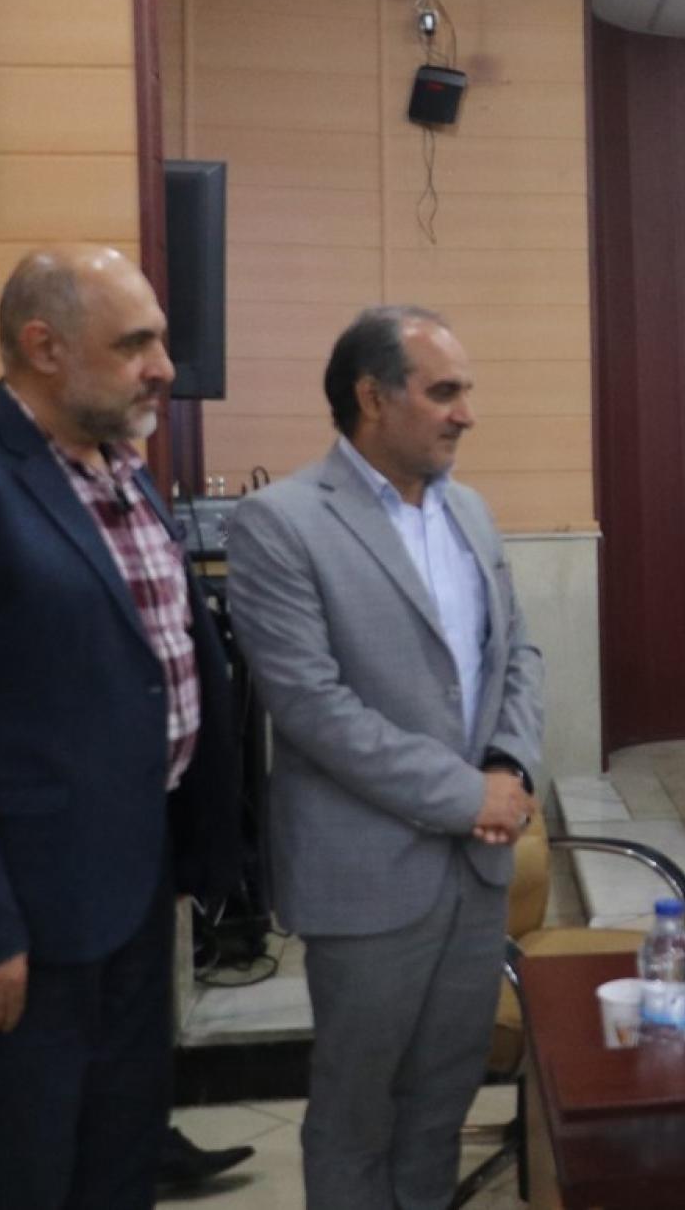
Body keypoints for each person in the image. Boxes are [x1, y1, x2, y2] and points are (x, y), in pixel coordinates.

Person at [0, 244, 241, 1209]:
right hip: (21, 919)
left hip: (133, 887)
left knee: (119, 1156)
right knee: (20, 1172)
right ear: (44, 346)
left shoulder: (123, 470)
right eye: (135, 343)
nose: (163, 366)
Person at [224, 306, 542, 1210]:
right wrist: (467, 794)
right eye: (444, 392)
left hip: (476, 869)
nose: (467, 413)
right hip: (368, 872)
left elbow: (517, 653)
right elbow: (313, 707)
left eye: (466, 391)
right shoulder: (280, 522)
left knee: (442, 1101)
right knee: (357, 1112)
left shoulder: (470, 511)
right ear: (372, 398)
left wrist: (512, 768)